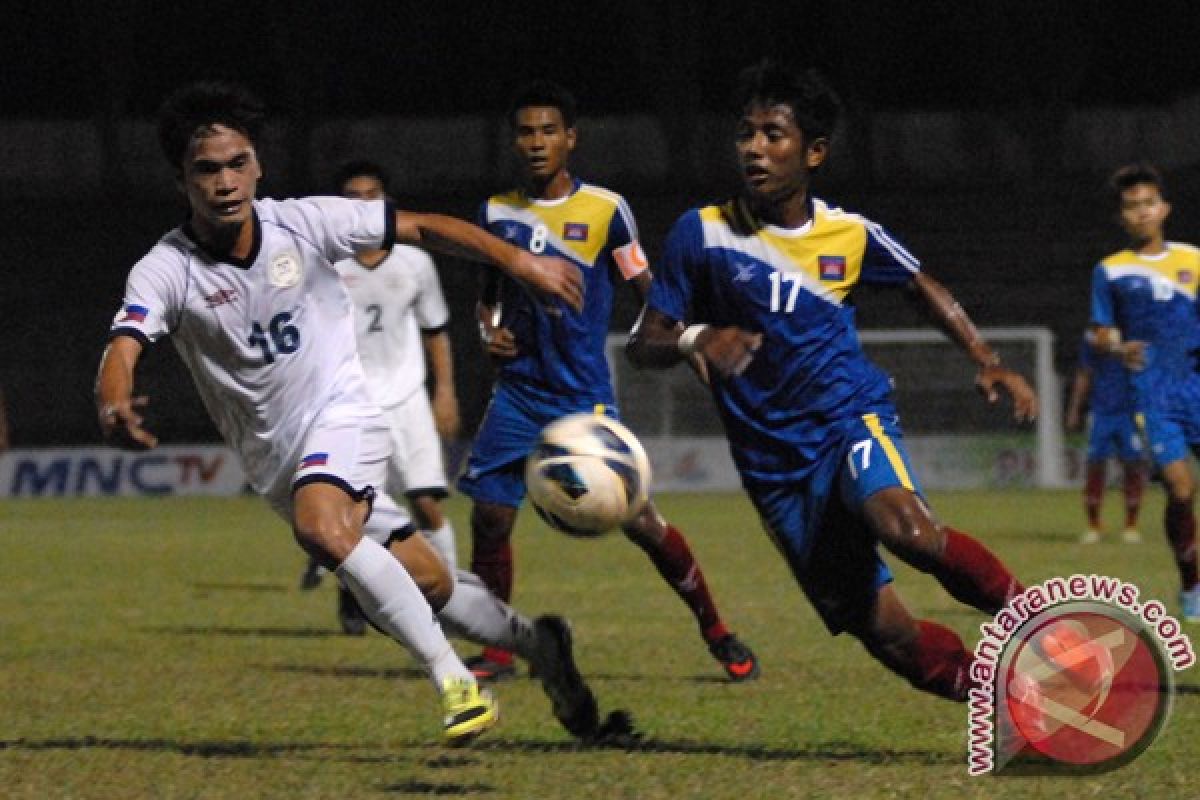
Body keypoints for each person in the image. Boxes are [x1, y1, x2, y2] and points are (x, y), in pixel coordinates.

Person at [95, 81, 606, 745]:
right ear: (181, 180)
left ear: (258, 165)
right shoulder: (167, 268)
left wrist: (519, 261)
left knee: (321, 527)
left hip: (346, 417)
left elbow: (422, 227)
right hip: (275, 459)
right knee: (427, 581)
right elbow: (125, 343)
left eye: (237, 163)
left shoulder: (304, 222)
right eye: (206, 169)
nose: (225, 181)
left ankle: (455, 680)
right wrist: (112, 400)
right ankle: (543, 648)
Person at [626, 60, 1040, 704]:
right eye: (746, 134)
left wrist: (985, 357)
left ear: (813, 152)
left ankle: (1042, 628)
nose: (753, 149)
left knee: (908, 531)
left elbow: (918, 284)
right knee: (885, 632)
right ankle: (1020, 701)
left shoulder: (847, 235)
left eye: (773, 135)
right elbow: (643, 343)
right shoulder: (700, 233)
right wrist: (697, 337)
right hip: (774, 468)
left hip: (848, 419)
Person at [458, 80, 759, 682]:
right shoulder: (495, 213)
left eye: (549, 131)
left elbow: (649, 292)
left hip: (582, 397)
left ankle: (716, 629)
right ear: (514, 140)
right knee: (490, 518)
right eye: (526, 132)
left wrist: (685, 337)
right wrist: (487, 332)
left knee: (640, 521)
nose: (537, 142)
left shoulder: (606, 211)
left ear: (570, 139)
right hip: (518, 393)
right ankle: (498, 649)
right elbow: (487, 298)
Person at [299, 160, 463, 637]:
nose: (362, 205)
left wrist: (445, 393)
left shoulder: (416, 260)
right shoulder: (325, 265)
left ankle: (448, 599)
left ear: (387, 203)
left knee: (428, 503)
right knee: (353, 512)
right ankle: (352, 595)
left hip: (409, 398)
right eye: (352, 197)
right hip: (350, 403)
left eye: (371, 196)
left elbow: (436, 331)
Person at [1088, 163, 1200, 621]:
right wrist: (1117, 345)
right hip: (1152, 394)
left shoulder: (1193, 259)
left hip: (1195, 382)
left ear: (1165, 208)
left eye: (1149, 203)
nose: (1142, 213)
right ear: (1122, 217)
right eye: (1132, 207)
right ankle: (1192, 583)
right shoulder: (1111, 271)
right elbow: (1099, 332)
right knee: (1180, 488)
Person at [1064, 335, 1146, 544]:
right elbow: (1084, 374)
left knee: (1133, 465)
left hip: (1128, 413)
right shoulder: (1094, 336)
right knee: (1095, 466)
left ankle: (1131, 526)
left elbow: (1144, 366)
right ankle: (1094, 526)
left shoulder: (1134, 329)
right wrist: (1075, 409)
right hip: (1100, 414)